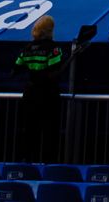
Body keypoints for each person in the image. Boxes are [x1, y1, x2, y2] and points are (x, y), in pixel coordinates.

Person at [13, 15, 85, 161]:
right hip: (48, 94)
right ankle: (49, 165)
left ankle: (27, 164)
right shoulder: (53, 49)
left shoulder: (27, 49)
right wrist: (72, 57)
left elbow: (15, 70)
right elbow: (54, 73)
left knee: (29, 131)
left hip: (30, 94)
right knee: (50, 132)